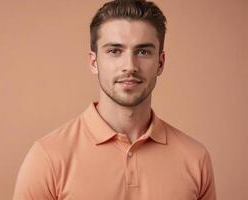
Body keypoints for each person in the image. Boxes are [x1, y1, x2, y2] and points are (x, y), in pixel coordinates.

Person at [13, 0, 216, 199]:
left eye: (143, 51)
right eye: (114, 51)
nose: (130, 65)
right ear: (94, 62)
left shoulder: (195, 159)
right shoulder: (48, 156)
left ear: (160, 63)